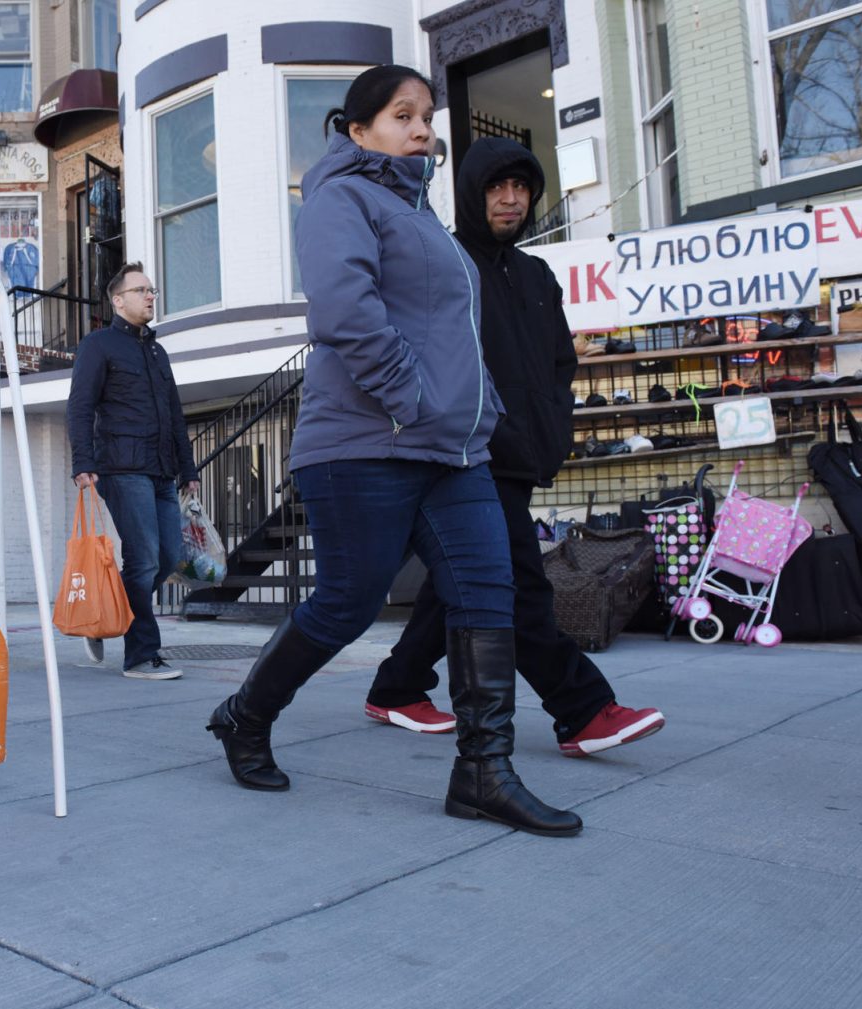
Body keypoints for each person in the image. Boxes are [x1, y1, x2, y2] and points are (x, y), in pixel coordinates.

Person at [205, 66, 581, 836]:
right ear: (358, 130)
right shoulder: (340, 198)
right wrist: (414, 400)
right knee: (346, 605)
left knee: (488, 593)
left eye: (426, 115)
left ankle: (483, 771)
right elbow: (346, 311)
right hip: (362, 444)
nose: (421, 128)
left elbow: (453, 334)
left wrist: (480, 411)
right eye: (401, 115)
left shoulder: (426, 219)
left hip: (452, 450)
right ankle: (245, 715)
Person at [362, 137, 665, 757]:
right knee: (515, 584)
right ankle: (583, 710)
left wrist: (552, 433)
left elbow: (558, 365)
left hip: (522, 453)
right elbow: (437, 360)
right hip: (467, 451)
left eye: (521, 188)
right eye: (497, 188)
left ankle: (396, 687)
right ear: (473, 193)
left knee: (464, 581)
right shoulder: (445, 263)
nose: (510, 200)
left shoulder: (536, 274)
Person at [66, 263, 199, 680]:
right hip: (122, 467)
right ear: (117, 300)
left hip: (161, 469)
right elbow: (80, 405)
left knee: (169, 558)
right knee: (141, 560)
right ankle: (141, 656)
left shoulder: (157, 351)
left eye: (152, 290)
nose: (150, 296)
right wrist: (82, 461)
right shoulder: (99, 345)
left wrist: (188, 467)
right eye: (141, 290)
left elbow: (175, 414)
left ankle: (106, 612)